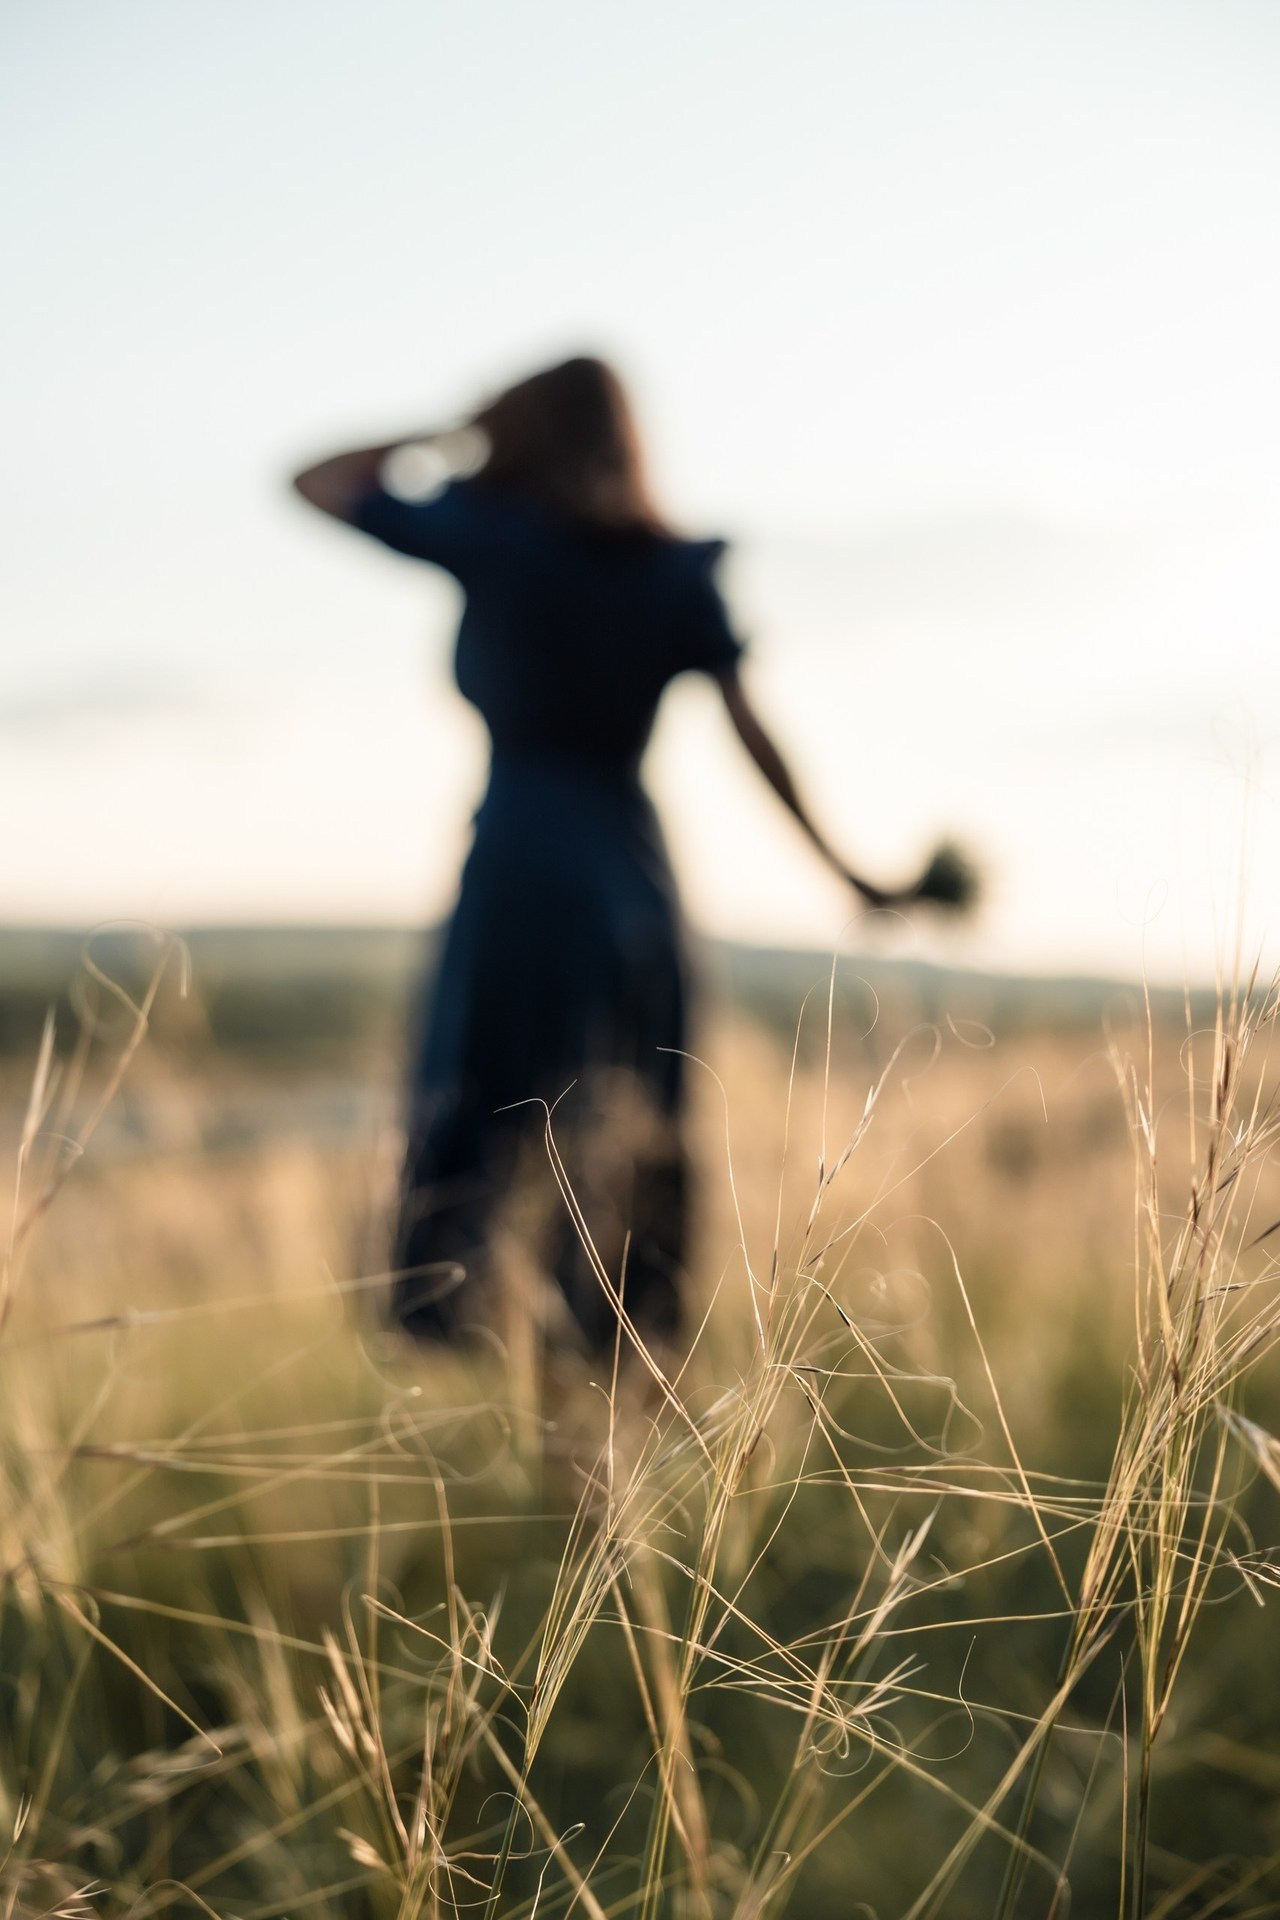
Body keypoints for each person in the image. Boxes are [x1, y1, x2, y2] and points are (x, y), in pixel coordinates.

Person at [292, 356, 916, 1352]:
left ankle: (451, 1340)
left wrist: (450, 429)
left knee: (479, 1097)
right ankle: (610, 1358)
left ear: (520, 427)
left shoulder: (495, 539)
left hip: (520, 865)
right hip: (632, 881)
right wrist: (845, 873)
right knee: (630, 1129)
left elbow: (317, 480)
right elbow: (757, 737)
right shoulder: (671, 567)